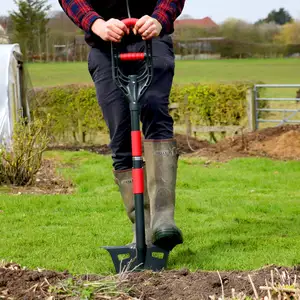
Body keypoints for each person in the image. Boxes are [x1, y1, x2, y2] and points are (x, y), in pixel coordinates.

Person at [58, 0, 185, 251]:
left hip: (153, 40)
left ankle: (163, 218)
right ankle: (143, 226)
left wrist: (159, 18)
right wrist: (96, 23)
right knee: (120, 131)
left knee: (153, 106)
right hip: (105, 47)